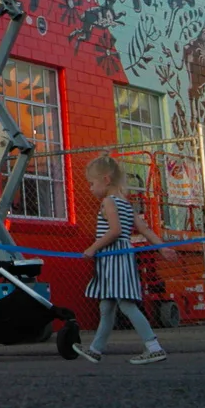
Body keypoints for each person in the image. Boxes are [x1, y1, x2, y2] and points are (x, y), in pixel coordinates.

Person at [78, 155, 168, 365]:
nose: (90, 188)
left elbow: (115, 231)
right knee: (107, 306)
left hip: (114, 259)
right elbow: (145, 229)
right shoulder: (126, 204)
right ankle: (95, 350)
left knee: (126, 304)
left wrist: (92, 248)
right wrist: (164, 248)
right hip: (119, 259)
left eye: (92, 183)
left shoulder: (108, 202)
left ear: (106, 180)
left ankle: (153, 346)